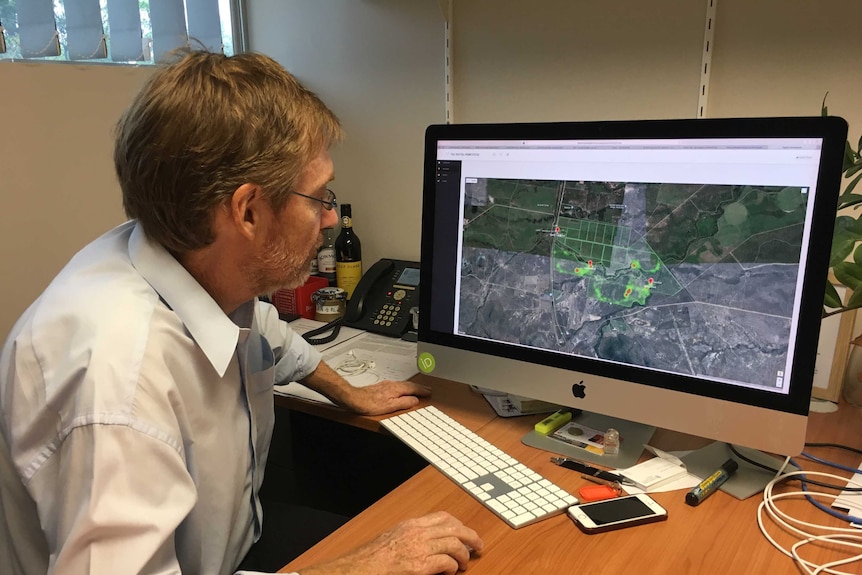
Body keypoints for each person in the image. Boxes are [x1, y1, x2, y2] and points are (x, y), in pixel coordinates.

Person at [0, 50, 483, 575]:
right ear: (248, 211)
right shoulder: (118, 382)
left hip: (239, 543)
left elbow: (273, 338)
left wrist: (349, 393)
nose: (328, 219)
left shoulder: (198, 267)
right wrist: (360, 568)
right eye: (319, 197)